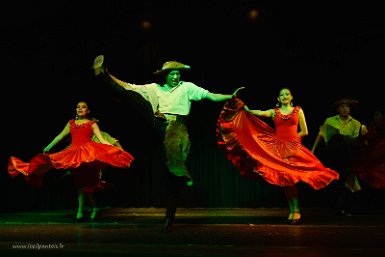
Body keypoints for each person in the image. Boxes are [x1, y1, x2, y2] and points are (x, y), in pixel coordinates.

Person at [92, 55, 244, 232]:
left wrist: (230, 96)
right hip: (158, 124)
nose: (175, 76)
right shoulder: (154, 88)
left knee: (172, 177)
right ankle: (102, 74)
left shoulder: (187, 88)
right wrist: (108, 74)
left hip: (177, 127)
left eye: (177, 73)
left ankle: (170, 215)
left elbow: (210, 96)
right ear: (165, 75)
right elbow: (127, 86)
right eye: (172, 74)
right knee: (134, 96)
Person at [216, 87, 339, 224]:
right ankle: (293, 210)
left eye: (287, 94)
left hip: (293, 148)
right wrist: (246, 109)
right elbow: (260, 113)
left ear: (291, 97)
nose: (285, 96)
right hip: (278, 149)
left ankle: (296, 209)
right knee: (286, 180)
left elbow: (305, 131)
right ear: (278, 99)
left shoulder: (298, 111)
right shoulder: (274, 112)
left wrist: (293, 141)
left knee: (295, 176)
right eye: (282, 95)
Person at [8, 100, 135, 221]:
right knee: (80, 183)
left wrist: (115, 149)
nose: (80, 108)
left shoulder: (92, 124)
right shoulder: (71, 123)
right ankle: (84, 210)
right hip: (73, 154)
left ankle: (91, 208)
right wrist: (48, 146)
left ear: (88, 110)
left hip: (87, 155)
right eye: (78, 106)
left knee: (87, 184)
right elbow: (60, 136)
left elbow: (101, 139)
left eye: (83, 106)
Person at [310, 98, 366, 216]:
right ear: (338, 109)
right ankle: (333, 207)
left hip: (346, 155)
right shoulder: (330, 121)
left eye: (347, 107)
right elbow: (321, 134)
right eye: (342, 107)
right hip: (332, 154)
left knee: (345, 182)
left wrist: (343, 138)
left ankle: (339, 208)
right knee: (333, 181)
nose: (345, 109)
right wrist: (313, 150)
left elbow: (354, 141)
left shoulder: (356, 123)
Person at [352, 110, 385, 189]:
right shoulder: (371, 129)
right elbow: (363, 145)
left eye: (377, 115)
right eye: (374, 115)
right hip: (370, 164)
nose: (374, 117)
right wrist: (362, 137)